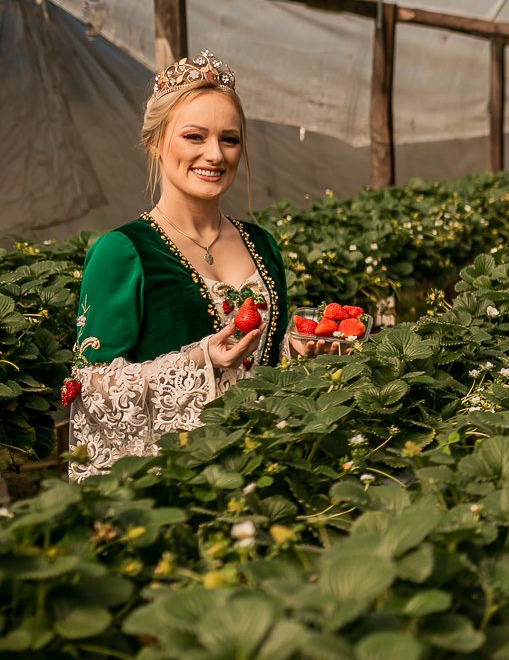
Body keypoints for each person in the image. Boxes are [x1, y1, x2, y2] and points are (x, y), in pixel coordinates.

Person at [63, 51, 324, 480]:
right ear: (155, 142)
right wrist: (201, 360)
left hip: (266, 460)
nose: (215, 155)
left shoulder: (263, 244)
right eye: (194, 136)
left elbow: (266, 368)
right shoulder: (123, 251)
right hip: (175, 477)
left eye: (230, 139)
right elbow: (92, 391)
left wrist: (295, 350)